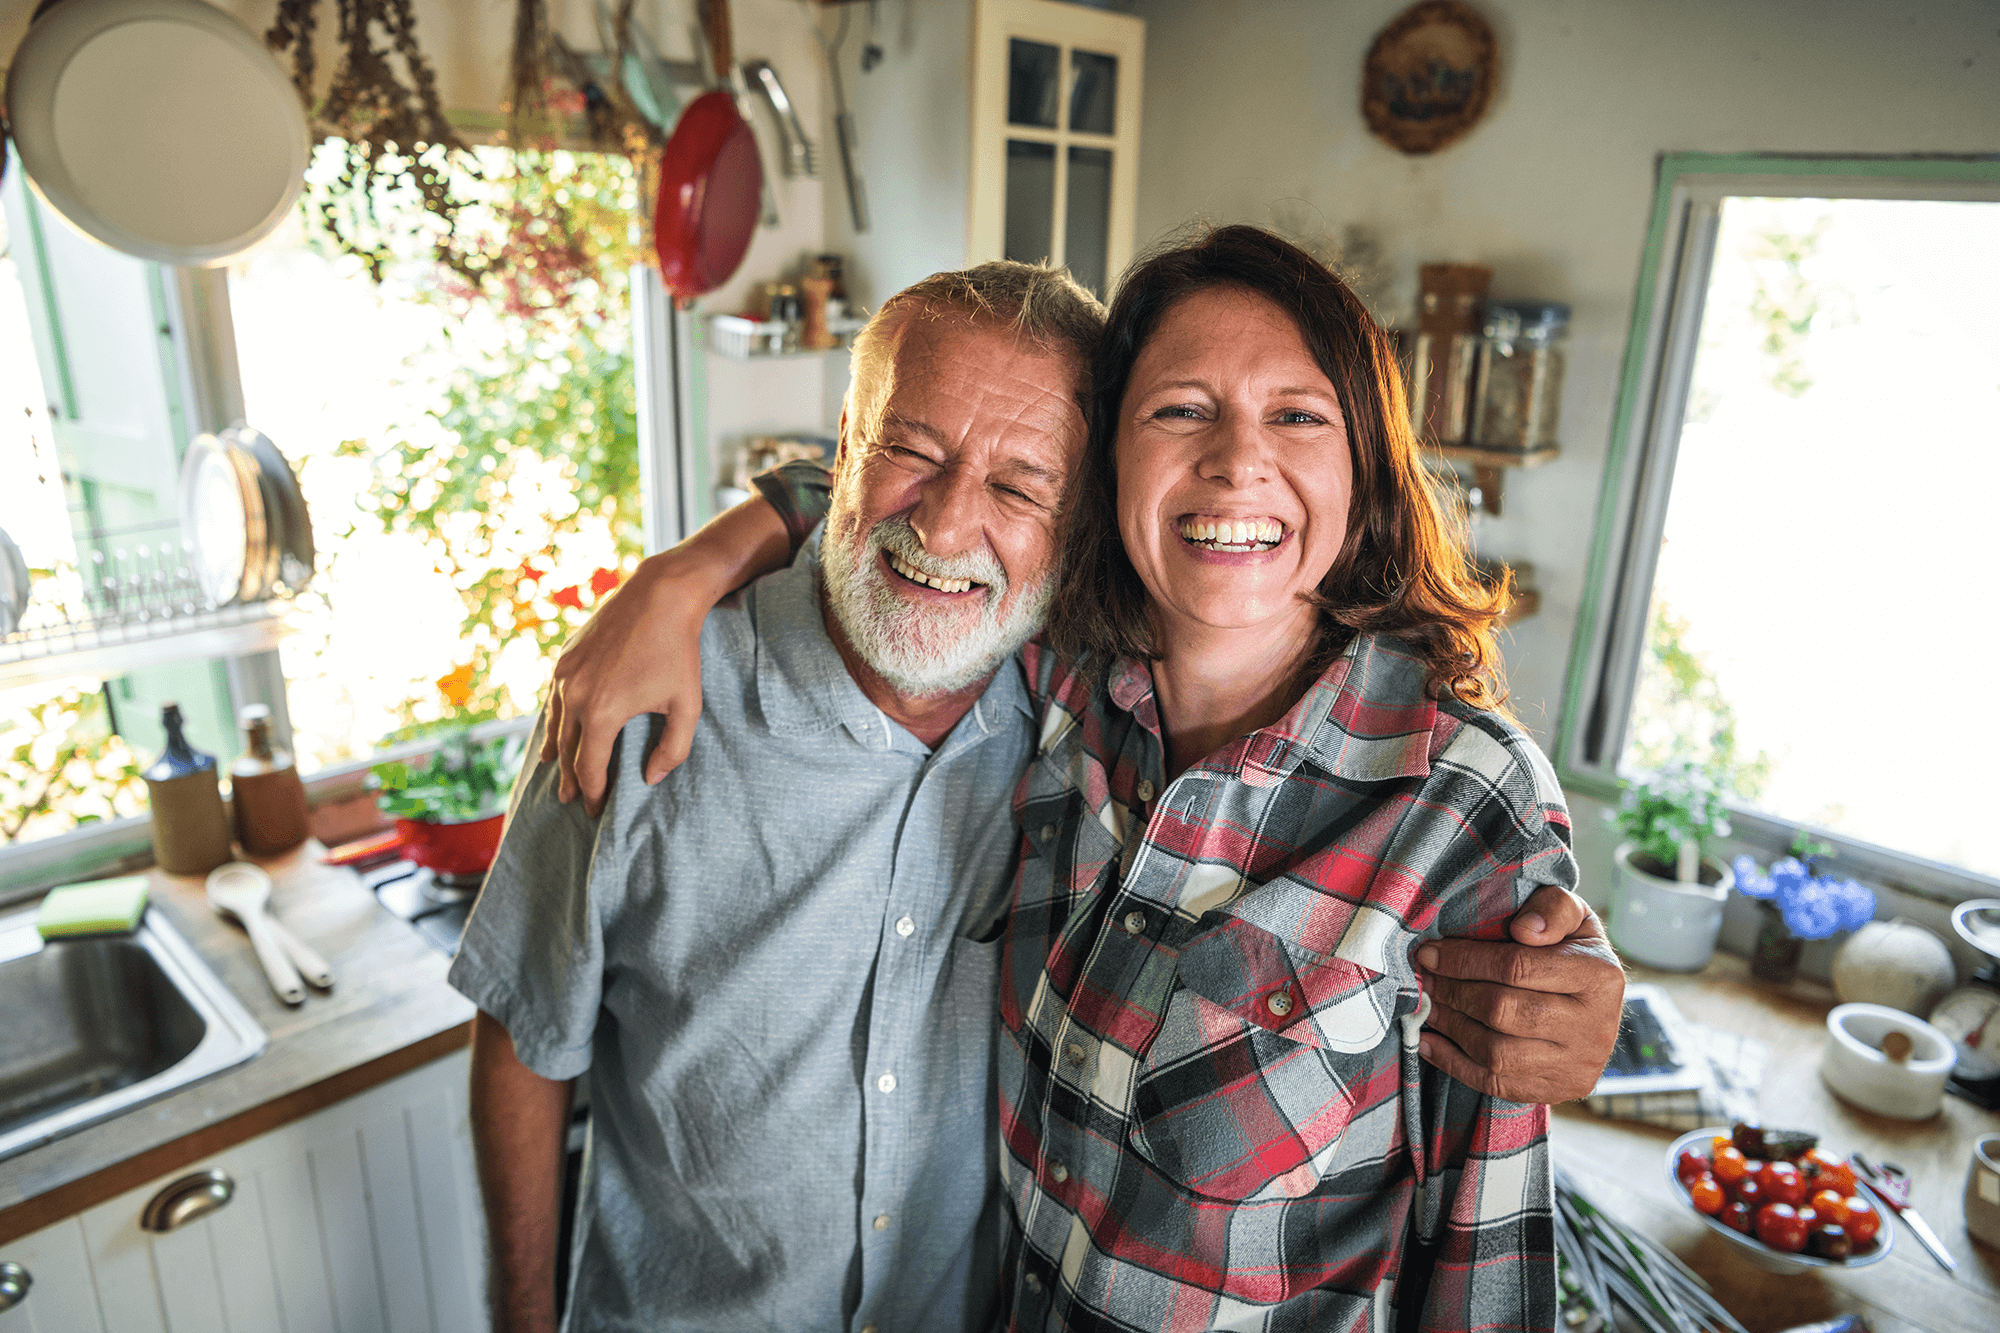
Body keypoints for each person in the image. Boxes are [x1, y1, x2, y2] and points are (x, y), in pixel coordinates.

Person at [541, 228, 1622, 1329]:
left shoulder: (1456, 799)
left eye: (1297, 414)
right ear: (1114, 470)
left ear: (1366, 466)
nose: (1237, 461)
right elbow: (909, 481)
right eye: (1180, 409)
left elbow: (1485, 1275)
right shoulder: (1065, 682)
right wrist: (677, 576)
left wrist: (1577, 1018)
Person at [449, 262, 1105, 1333]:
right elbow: (524, 1036)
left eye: (1018, 486)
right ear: (845, 442)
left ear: (1073, 524)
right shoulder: (642, 697)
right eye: (912, 450)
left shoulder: (1084, 718)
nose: (942, 527)